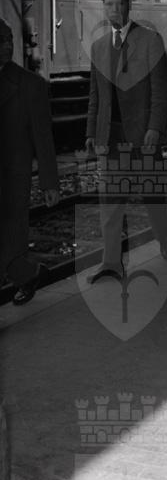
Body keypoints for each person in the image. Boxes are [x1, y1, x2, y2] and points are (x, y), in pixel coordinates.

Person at [85, 0, 167, 281]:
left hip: (143, 135)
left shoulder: (150, 40)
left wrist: (155, 127)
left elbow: (161, 91)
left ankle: (164, 238)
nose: (114, 10)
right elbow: (95, 96)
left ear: (129, 4)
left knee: (152, 197)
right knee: (110, 204)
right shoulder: (98, 47)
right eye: (108, 4)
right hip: (111, 137)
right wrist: (91, 131)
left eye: (119, 4)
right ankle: (111, 263)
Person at [0, 18, 59, 305]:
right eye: (1, 41)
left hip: (12, 178)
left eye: (9, 39)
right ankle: (29, 274)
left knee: (10, 242)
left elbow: (43, 139)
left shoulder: (30, 84)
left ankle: (27, 273)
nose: (7, 45)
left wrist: (50, 183)